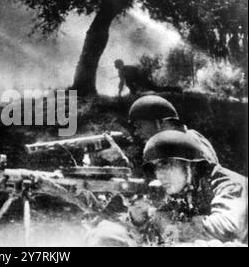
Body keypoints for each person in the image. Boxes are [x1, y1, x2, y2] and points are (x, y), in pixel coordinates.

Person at [86, 130, 247, 247]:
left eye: (165, 164)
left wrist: (163, 223)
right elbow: (150, 232)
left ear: (188, 163)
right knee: (107, 234)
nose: (159, 174)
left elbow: (225, 229)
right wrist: (138, 217)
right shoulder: (183, 188)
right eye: (155, 167)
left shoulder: (229, 184)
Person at [128, 95, 218, 164]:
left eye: (140, 126)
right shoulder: (192, 137)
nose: (136, 132)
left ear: (160, 123)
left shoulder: (178, 146)